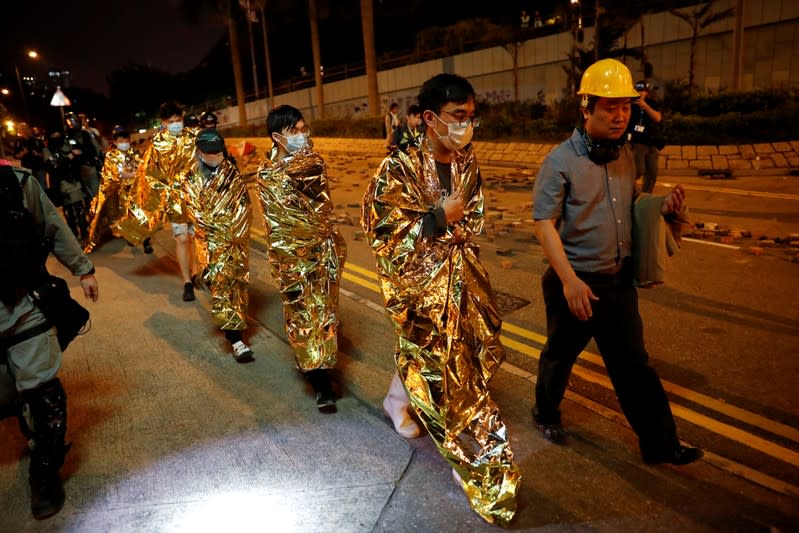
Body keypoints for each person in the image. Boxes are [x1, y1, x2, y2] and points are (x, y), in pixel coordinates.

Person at [361, 73, 520, 526]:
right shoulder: (399, 167)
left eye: (471, 117)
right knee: (446, 364)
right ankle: (470, 456)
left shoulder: (467, 160)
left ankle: (396, 399)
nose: (466, 125)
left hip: (461, 273)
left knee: (450, 350)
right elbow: (379, 228)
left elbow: (476, 211)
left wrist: (459, 227)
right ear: (430, 118)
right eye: (457, 117)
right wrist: (436, 218)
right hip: (417, 280)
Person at [531, 58, 702, 466]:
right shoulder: (560, 162)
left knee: (634, 366)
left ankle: (660, 444)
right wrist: (569, 280)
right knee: (560, 354)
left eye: (625, 107)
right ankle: (545, 411)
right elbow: (543, 224)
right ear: (586, 107)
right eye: (610, 107)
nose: (620, 116)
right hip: (575, 284)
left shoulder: (625, 155)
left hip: (617, 283)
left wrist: (663, 212)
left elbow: (629, 210)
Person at [0, 162, 99, 519]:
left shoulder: (17, 182)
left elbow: (53, 226)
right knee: (9, 396)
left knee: (43, 391)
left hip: (24, 308)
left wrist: (83, 269)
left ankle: (44, 471)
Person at [256, 105, 346, 412]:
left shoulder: (312, 163)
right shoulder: (266, 174)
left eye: (303, 129)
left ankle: (325, 371)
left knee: (324, 312)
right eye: (294, 131)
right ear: (277, 137)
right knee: (302, 316)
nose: (302, 135)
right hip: (290, 257)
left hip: (320, 251)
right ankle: (317, 378)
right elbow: (273, 220)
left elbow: (321, 209)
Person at [182, 129, 254, 362]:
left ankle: (236, 330)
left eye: (217, 152)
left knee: (236, 285)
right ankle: (236, 339)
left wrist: (235, 232)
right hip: (211, 242)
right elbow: (195, 213)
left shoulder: (230, 173)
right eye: (208, 152)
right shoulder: (192, 177)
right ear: (199, 151)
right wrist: (216, 229)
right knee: (222, 287)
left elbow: (244, 205)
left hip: (234, 240)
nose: (213, 156)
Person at [119, 101, 196, 300]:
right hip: (174, 200)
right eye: (172, 121)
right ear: (163, 122)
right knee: (182, 238)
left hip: (195, 197)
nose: (176, 124)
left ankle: (196, 272)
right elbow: (148, 175)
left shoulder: (192, 138)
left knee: (195, 237)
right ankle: (187, 281)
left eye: (178, 120)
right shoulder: (157, 145)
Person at [84, 126, 143, 253]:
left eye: (126, 141)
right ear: (115, 142)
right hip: (116, 191)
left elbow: (141, 166)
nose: (124, 144)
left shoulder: (134, 153)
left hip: (133, 189)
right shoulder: (111, 156)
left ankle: (142, 239)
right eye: (121, 141)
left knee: (137, 214)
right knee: (111, 214)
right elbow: (117, 174)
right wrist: (134, 174)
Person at [627, 80, 663, 193]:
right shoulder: (630, 104)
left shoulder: (652, 103)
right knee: (638, 170)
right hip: (637, 142)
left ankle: (645, 196)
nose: (641, 93)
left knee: (652, 173)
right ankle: (629, 191)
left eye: (643, 90)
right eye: (639, 90)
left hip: (651, 142)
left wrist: (645, 106)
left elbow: (658, 118)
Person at [63, 112, 101, 202]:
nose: (73, 123)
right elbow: (67, 152)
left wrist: (84, 154)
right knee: (83, 197)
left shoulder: (86, 134)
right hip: (76, 171)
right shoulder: (67, 137)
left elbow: (96, 149)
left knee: (95, 195)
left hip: (90, 166)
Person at [12, 123, 48, 188]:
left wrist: (37, 154)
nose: (26, 130)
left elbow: (45, 155)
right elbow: (16, 156)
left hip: (39, 168)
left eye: (27, 128)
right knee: (31, 189)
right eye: (22, 129)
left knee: (42, 187)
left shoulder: (37, 141)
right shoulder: (18, 142)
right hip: (27, 170)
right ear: (20, 131)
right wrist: (23, 152)